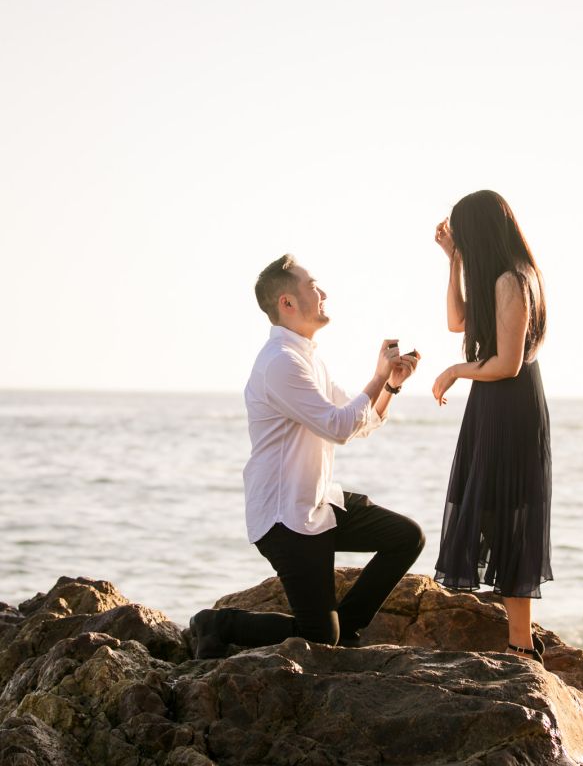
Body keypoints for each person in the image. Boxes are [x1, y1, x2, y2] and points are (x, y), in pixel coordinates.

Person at [189, 255, 425, 658]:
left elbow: (357, 422)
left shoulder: (308, 357)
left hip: (317, 503)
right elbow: (337, 426)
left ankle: (346, 629)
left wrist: (391, 385)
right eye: (313, 286)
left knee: (406, 537)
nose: (323, 293)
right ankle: (216, 625)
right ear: (287, 302)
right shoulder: (280, 363)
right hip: (285, 518)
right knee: (318, 638)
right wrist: (377, 376)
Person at [432, 190, 552, 663]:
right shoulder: (501, 277)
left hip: (509, 404)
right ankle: (521, 635)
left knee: (508, 511)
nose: (458, 240)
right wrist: (453, 261)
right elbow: (455, 320)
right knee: (492, 508)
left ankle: (521, 642)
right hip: (493, 405)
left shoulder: (512, 280)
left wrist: (456, 371)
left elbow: (508, 364)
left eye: (462, 235)